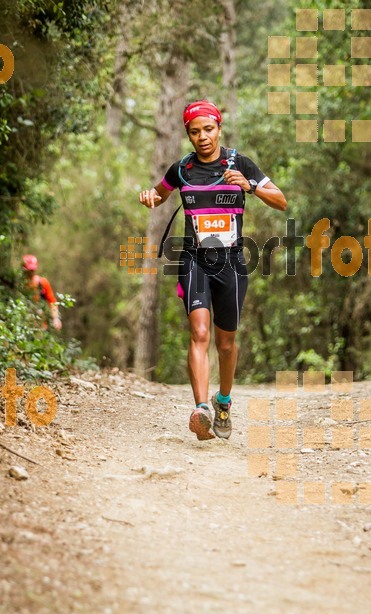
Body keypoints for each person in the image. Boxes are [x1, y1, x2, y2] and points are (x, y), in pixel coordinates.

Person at [139, 100, 286, 441]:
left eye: (208, 129)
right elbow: (159, 194)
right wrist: (149, 196)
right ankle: (201, 409)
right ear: (188, 134)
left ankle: (223, 402)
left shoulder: (239, 163)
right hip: (193, 259)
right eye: (194, 131)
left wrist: (251, 186)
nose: (202, 137)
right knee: (199, 333)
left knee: (226, 344)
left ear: (219, 129)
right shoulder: (183, 169)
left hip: (232, 262)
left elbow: (281, 200)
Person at [22, 254, 62, 331]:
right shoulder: (19, 283)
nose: (31, 272)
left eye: (32, 270)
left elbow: (52, 302)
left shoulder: (42, 283)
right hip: (23, 322)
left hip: (40, 325)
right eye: (29, 270)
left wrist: (56, 318)